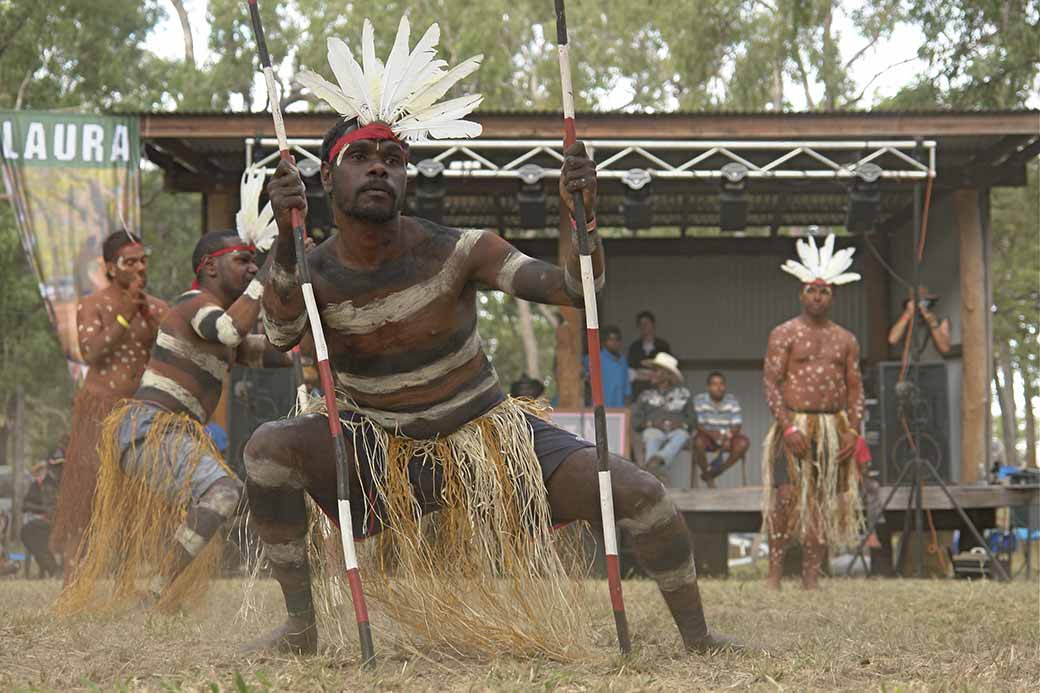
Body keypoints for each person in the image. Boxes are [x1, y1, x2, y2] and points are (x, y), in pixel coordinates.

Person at [242, 17, 738, 656]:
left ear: (406, 176)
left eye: (393, 158)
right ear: (327, 178)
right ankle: (300, 629)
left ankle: (699, 637)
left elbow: (573, 289)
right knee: (266, 449)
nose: (378, 169)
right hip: (372, 444)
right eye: (360, 157)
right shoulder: (311, 267)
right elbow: (282, 333)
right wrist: (286, 236)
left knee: (639, 492)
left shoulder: (462, 250)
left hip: (487, 436)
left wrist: (583, 217)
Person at [58, 214, 292, 613]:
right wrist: (269, 273)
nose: (253, 267)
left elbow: (272, 354)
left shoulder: (211, 322)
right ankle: (151, 592)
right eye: (243, 260)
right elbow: (232, 332)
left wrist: (312, 325)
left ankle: (153, 591)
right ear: (211, 266)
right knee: (220, 491)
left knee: (215, 495)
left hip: (164, 432)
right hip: (145, 429)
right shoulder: (193, 304)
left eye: (256, 261)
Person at [51, 230, 167, 576]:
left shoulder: (158, 307)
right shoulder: (93, 305)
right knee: (86, 487)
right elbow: (91, 352)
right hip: (100, 408)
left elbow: (171, 353)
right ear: (110, 268)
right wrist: (124, 316)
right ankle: (74, 568)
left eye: (143, 260)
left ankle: (136, 571)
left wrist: (152, 317)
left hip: (143, 409)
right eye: (130, 262)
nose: (140, 268)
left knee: (141, 488)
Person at [763, 234, 866, 590]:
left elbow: (855, 387)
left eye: (823, 291)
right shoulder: (784, 334)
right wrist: (788, 428)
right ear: (801, 293)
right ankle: (774, 575)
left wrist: (852, 431)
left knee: (822, 501)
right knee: (786, 498)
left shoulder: (846, 340)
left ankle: (811, 579)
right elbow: (771, 383)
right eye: (811, 290)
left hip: (832, 427)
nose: (817, 297)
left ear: (832, 295)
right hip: (794, 424)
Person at [630, 353, 696, 483]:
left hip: (677, 431)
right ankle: (654, 471)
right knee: (652, 435)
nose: (651, 373)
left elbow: (693, 420)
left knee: (682, 435)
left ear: (668, 375)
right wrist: (651, 423)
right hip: (653, 430)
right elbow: (636, 421)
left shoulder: (684, 394)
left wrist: (681, 424)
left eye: (656, 370)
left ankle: (656, 464)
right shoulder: (645, 395)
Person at [692, 372, 750, 488]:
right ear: (708, 387)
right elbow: (697, 424)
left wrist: (728, 436)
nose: (718, 387)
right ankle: (708, 475)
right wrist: (712, 435)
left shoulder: (732, 400)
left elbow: (737, 424)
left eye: (721, 384)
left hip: (726, 436)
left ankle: (717, 470)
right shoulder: (699, 400)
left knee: (743, 443)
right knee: (697, 442)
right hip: (706, 436)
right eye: (714, 384)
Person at [21, 455, 63, 578]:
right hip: (38, 520)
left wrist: (39, 509)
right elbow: (24, 505)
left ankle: (50, 567)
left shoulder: (52, 484)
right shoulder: (34, 486)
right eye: (37, 472)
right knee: (27, 533)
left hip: (50, 521)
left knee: (30, 532)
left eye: (41, 471)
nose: (39, 474)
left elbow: (53, 506)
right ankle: (50, 566)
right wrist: (41, 509)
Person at [887, 287, 951, 358]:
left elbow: (945, 348)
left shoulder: (940, 319)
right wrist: (908, 313)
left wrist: (933, 324)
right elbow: (892, 339)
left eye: (924, 300)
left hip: (933, 367)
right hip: (910, 367)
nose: (921, 304)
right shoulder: (903, 319)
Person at [627, 310, 672, 400]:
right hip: (639, 391)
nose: (644, 327)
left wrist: (647, 374)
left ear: (653, 325)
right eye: (641, 324)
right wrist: (648, 375)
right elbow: (631, 372)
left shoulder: (663, 345)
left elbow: (668, 369)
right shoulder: (634, 347)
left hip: (659, 391)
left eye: (647, 323)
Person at [584, 325, 631, 408]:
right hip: (600, 408)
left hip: (619, 408)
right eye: (611, 339)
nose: (614, 343)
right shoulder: (595, 357)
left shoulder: (623, 360)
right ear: (604, 342)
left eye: (617, 339)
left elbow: (627, 387)